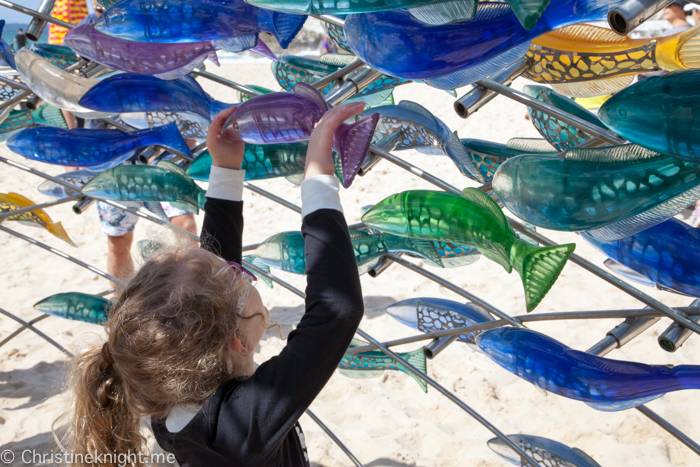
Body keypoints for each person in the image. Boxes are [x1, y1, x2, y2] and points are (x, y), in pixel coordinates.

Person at [58, 101, 366, 467]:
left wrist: (225, 171)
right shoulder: (242, 425)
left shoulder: (168, 392)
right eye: (236, 274)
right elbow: (336, 311)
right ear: (239, 340)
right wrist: (317, 176)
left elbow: (208, 290)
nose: (236, 266)